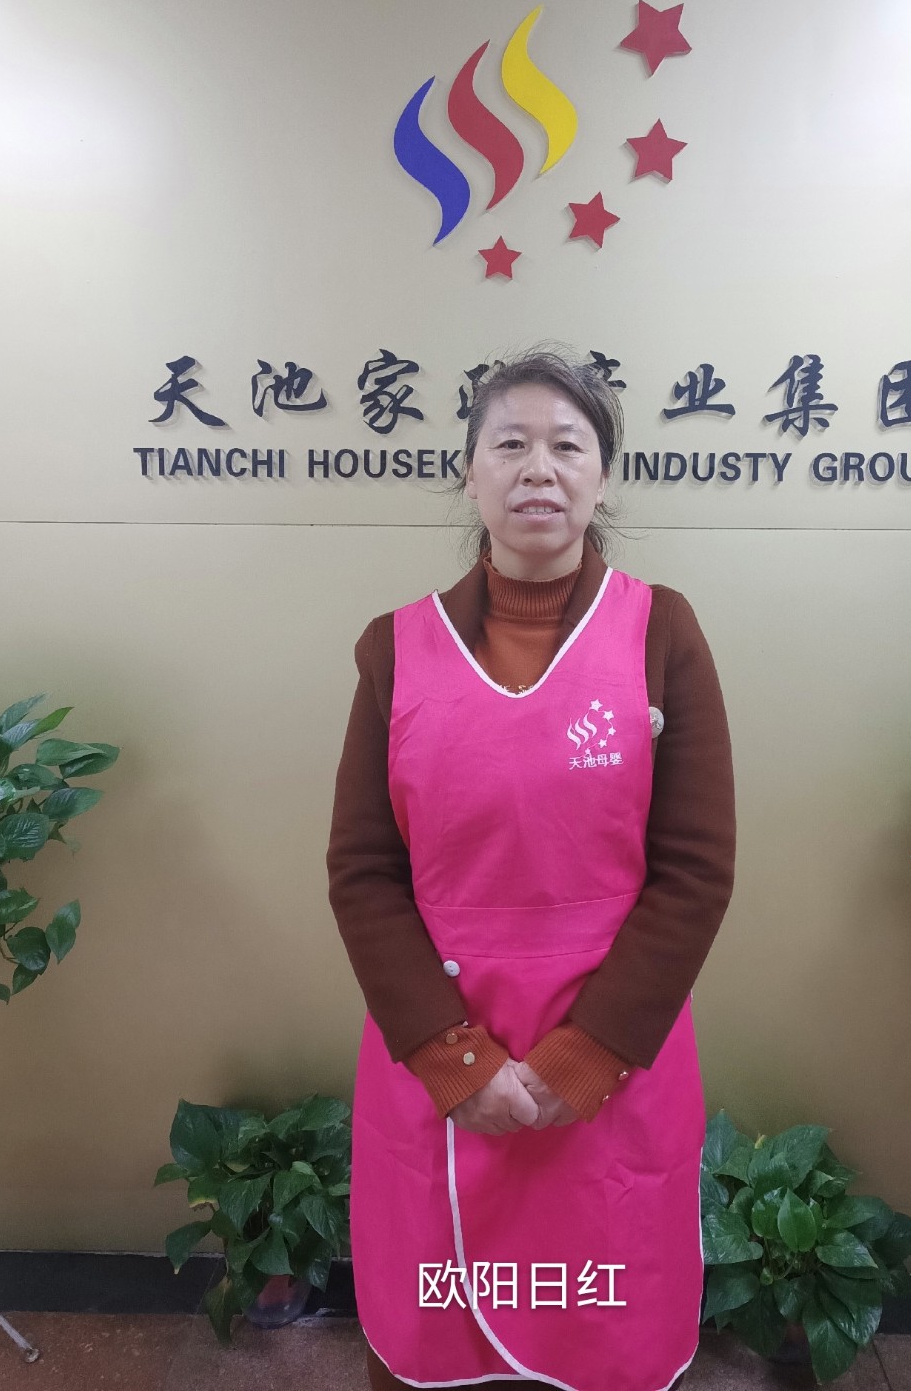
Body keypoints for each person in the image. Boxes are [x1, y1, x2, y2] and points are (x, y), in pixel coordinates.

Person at [326, 346, 736, 1391]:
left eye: (567, 445)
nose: (538, 469)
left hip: (611, 1054)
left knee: (606, 1327)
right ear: (470, 473)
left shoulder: (661, 631)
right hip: (441, 1051)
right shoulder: (395, 647)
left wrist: (581, 1061)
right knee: (434, 1328)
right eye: (509, 444)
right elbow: (364, 869)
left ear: (603, 475)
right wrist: (454, 1061)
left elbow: (695, 869)